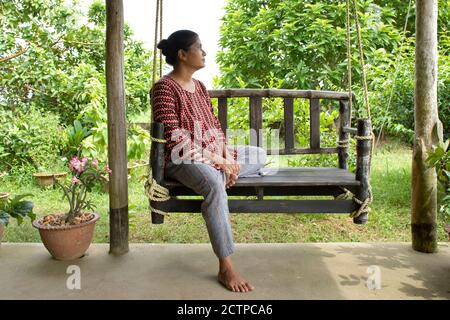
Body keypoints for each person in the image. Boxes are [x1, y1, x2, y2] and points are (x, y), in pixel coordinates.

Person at [151, 30, 267, 293]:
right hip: (181, 159)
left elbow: (214, 126)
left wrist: (225, 156)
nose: (204, 52)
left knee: (258, 154)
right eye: (199, 48)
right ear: (182, 54)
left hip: (210, 156)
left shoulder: (200, 87)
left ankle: (222, 173)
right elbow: (174, 139)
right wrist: (219, 162)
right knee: (214, 182)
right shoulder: (164, 88)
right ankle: (226, 266)